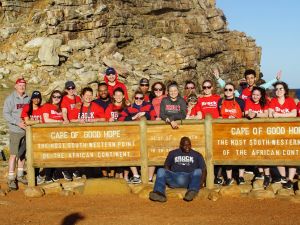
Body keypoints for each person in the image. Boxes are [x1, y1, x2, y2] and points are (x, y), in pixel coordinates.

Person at [149, 137, 206, 202]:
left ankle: (192, 191)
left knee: (198, 171)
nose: (187, 147)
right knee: (161, 170)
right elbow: (166, 165)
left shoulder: (197, 155)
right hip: (175, 178)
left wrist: (201, 183)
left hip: (189, 179)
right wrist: (170, 177)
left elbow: (203, 169)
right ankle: (159, 193)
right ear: (181, 145)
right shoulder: (173, 153)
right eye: (185, 145)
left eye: (189, 145)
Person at [119, 90, 157, 183]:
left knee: (151, 154)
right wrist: (133, 117)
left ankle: (150, 178)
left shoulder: (149, 106)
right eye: (136, 98)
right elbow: (120, 119)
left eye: (141, 98)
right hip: (133, 135)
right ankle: (136, 176)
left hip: (148, 134)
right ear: (134, 98)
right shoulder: (129, 108)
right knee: (131, 152)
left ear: (144, 98)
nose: (139, 100)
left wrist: (145, 114)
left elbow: (154, 117)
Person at [268, 81, 297, 189]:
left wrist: (279, 115)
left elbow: (294, 114)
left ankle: (290, 178)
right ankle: (284, 177)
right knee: (278, 154)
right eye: (277, 89)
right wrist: (285, 115)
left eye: (281, 89)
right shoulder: (274, 101)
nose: (279, 91)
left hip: (289, 132)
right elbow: (271, 115)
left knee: (291, 155)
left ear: (285, 90)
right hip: (277, 132)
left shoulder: (290, 101)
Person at [3, 78, 30, 190]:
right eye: (20, 85)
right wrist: (17, 123)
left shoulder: (28, 98)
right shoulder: (10, 99)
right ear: (15, 86)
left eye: (24, 85)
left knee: (22, 154)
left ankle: (20, 175)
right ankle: (11, 177)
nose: (22, 87)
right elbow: (6, 114)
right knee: (13, 155)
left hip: (26, 130)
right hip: (15, 130)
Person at [218, 82, 245, 186]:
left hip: (238, 131)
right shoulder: (220, 101)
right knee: (227, 153)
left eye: (230, 89)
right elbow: (219, 117)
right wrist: (226, 118)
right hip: (226, 131)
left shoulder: (240, 101)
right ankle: (229, 178)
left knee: (240, 153)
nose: (228, 91)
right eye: (226, 90)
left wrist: (236, 119)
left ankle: (241, 176)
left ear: (234, 91)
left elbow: (243, 115)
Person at [244, 87, 270, 188]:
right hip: (252, 131)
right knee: (256, 152)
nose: (255, 96)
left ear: (261, 96)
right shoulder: (248, 101)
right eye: (254, 94)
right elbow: (246, 113)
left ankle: (267, 175)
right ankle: (261, 173)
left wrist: (255, 114)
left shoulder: (265, 102)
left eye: (258, 95)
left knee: (264, 153)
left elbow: (266, 114)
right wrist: (251, 114)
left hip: (263, 131)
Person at [42, 90, 68, 183]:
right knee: (51, 154)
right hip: (50, 133)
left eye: (59, 97)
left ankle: (55, 174)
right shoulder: (46, 106)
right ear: (51, 97)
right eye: (54, 96)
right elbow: (46, 119)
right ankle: (48, 176)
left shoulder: (61, 108)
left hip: (60, 134)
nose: (56, 98)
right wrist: (59, 122)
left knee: (59, 154)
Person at [21, 90, 44, 185]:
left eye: (38, 98)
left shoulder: (42, 108)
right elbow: (27, 122)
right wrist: (38, 122)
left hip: (39, 135)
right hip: (29, 135)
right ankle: (24, 174)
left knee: (37, 155)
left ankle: (36, 175)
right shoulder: (27, 107)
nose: (36, 100)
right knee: (26, 154)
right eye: (34, 98)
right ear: (31, 99)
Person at [213, 68, 282, 100]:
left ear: (255, 78)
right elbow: (227, 88)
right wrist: (218, 78)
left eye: (252, 78)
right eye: (248, 78)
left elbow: (268, 84)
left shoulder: (260, 89)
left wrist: (276, 79)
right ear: (245, 79)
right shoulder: (241, 92)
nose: (250, 80)